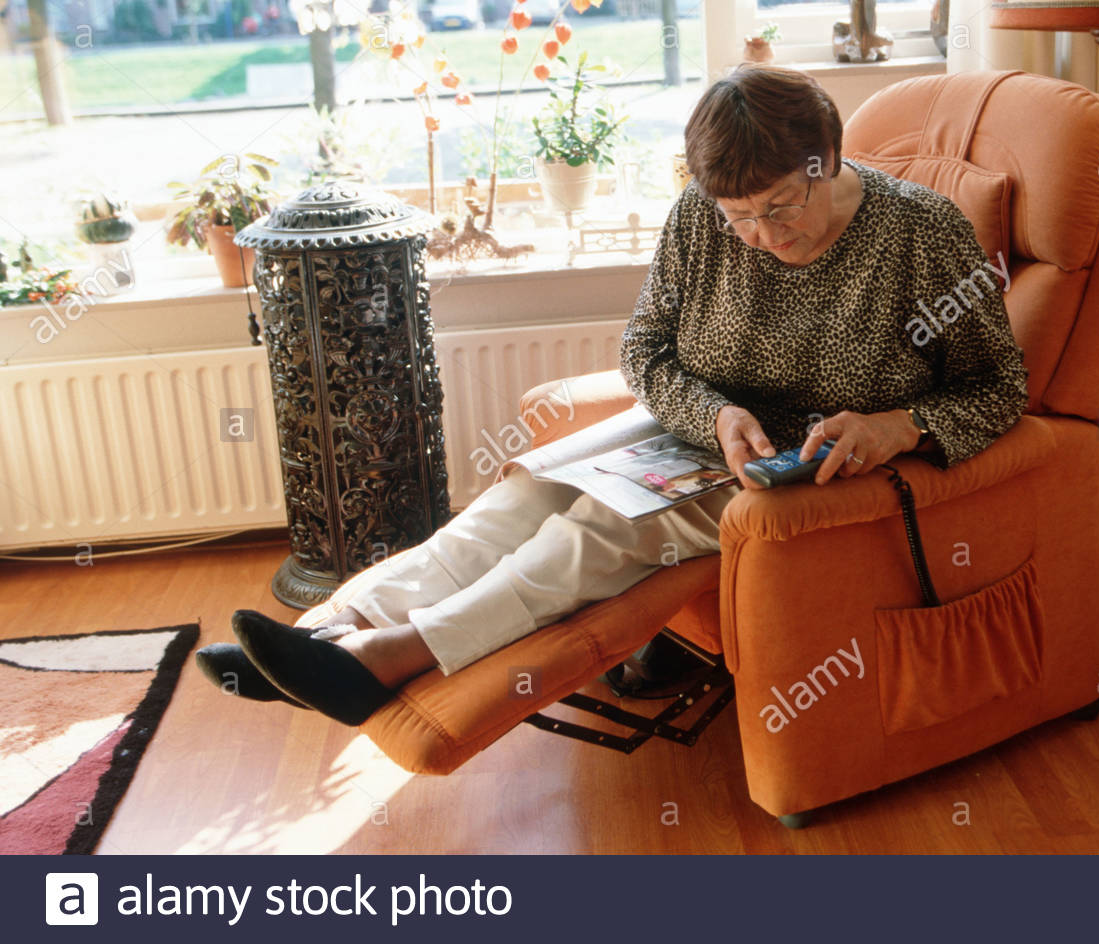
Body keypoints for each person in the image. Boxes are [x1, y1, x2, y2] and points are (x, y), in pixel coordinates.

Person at [198, 64, 1028, 726]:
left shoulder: (923, 232)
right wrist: (714, 413)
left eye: (783, 205)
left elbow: (1001, 389)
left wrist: (898, 425)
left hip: (805, 470)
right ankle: (326, 635)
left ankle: (396, 654)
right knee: (530, 490)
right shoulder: (698, 221)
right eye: (739, 214)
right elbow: (644, 349)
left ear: (830, 160)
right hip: (702, 432)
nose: (764, 235)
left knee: (602, 528)